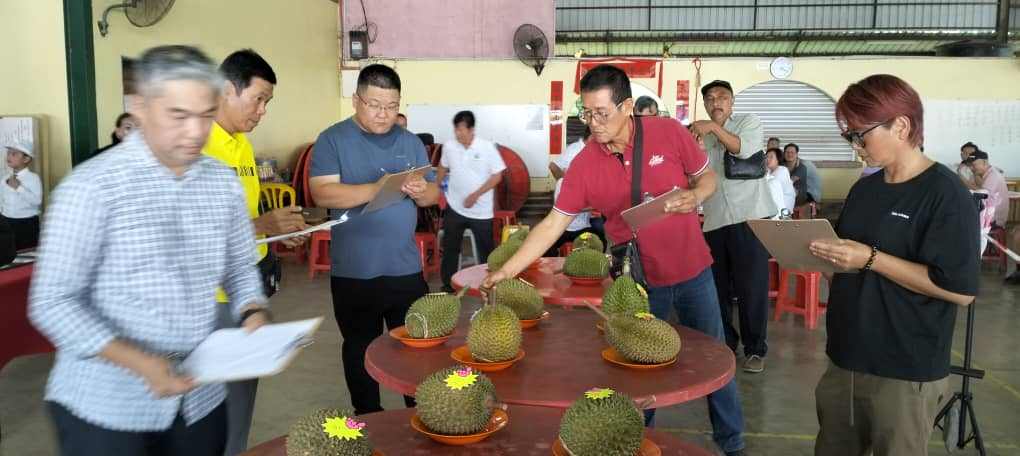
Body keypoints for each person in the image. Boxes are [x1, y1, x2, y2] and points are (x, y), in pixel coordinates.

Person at [481, 65, 747, 456]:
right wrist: (507, 270)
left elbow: (707, 179)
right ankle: (639, 442)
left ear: (626, 107)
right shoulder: (586, 163)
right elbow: (554, 222)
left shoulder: (669, 132)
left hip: (693, 271)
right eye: (586, 114)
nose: (593, 123)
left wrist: (695, 196)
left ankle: (733, 442)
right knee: (636, 372)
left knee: (715, 361)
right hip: (635, 284)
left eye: (601, 113)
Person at [28, 45, 270, 456]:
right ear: (139, 107)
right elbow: (53, 302)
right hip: (106, 406)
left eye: (206, 114)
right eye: (178, 115)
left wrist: (252, 309)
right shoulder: (91, 188)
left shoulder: (220, 182)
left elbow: (240, 265)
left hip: (199, 399)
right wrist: (138, 361)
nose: (196, 132)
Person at [808, 74, 978, 456]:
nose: (856, 147)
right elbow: (848, 263)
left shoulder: (946, 195)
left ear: (901, 126)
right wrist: (822, 257)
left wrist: (871, 259)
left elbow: (960, 290)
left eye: (860, 135)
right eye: (848, 136)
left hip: (904, 369)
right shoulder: (865, 190)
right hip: (846, 358)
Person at [308, 64, 439, 415]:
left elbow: (431, 197)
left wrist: (423, 189)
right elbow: (323, 194)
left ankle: (421, 415)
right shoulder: (332, 139)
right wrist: (377, 188)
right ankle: (368, 418)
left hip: (404, 269)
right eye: (374, 104)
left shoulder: (409, 142)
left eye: (391, 105)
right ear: (356, 100)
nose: (383, 114)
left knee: (416, 348)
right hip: (355, 272)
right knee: (359, 348)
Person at [204, 48, 308, 456]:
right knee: (204, 412)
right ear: (228, 89)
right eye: (258, 99)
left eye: (267, 102)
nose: (262, 111)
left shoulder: (242, 147)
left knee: (240, 405)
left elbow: (242, 225)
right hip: (204, 303)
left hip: (244, 295)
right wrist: (262, 226)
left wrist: (275, 234)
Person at [690, 79, 776, 374]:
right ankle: (725, 345)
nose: (716, 102)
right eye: (710, 98)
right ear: (704, 104)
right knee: (717, 288)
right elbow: (692, 178)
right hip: (714, 220)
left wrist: (712, 128)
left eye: (723, 97)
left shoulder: (747, 123)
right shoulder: (696, 135)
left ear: (731, 102)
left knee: (751, 287)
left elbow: (741, 150)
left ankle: (755, 349)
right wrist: (695, 148)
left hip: (750, 218)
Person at [435, 110, 506, 292]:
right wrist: (437, 186)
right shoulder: (450, 146)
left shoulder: (487, 147)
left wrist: (475, 195)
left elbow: (497, 176)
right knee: (450, 248)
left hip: (481, 211)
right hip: (455, 207)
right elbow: (442, 166)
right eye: (456, 129)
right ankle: (447, 285)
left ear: (471, 129)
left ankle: (487, 285)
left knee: (486, 251)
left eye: (462, 129)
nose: (458, 133)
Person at [545, 126, 604, 256]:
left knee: (601, 234)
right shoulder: (574, 151)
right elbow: (569, 206)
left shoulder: (585, 182)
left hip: (584, 223)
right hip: (567, 227)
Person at [2, 142, 42, 250]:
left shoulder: (33, 178)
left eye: (14, 154)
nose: (9, 156)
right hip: (6, 222)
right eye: (8, 153)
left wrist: (18, 187)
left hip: (26, 224)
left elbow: (37, 201)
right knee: (8, 253)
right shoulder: (4, 178)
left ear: (26, 159)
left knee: (25, 254)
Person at [963, 149, 1008, 230]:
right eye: (971, 165)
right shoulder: (987, 174)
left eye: (974, 165)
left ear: (985, 162)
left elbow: (982, 195)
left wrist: (964, 182)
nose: (972, 168)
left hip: (994, 220)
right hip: (989, 215)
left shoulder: (993, 175)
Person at [784, 142, 822, 207]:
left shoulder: (803, 165)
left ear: (796, 154)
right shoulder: (784, 165)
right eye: (787, 152)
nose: (789, 154)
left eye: (792, 152)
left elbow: (790, 181)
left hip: (809, 194)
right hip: (797, 192)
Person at [765, 147, 795, 215]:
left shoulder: (782, 170)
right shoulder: (769, 170)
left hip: (784, 207)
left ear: (778, 159)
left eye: (771, 157)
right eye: (766, 157)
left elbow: (769, 185)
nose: (767, 159)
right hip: (774, 204)